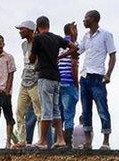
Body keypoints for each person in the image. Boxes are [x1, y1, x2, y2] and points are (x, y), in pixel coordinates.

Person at [30, 16, 76, 149]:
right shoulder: (56, 38)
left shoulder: (38, 39)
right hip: (57, 78)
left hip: (44, 77)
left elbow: (32, 59)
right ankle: (61, 139)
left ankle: (43, 141)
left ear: (38, 27)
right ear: (48, 25)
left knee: (46, 109)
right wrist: (59, 57)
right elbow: (74, 48)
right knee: (56, 109)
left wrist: (34, 41)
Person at [79, 10, 117, 150]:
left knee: (102, 109)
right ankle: (88, 141)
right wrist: (71, 37)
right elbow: (78, 50)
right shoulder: (86, 36)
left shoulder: (106, 35)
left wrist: (108, 74)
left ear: (94, 19)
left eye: (86, 18)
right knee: (86, 110)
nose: (84, 20)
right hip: (85, 76)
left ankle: (106, 141)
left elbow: (112, 55)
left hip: (97, 77)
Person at [13, 20, 42, 148]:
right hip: (24, 80)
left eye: (22, 29)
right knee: (19, 110)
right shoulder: (24, 45)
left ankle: (41, 140)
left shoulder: (39, 42)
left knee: (39, 112)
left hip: (36, 80)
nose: (20, 32)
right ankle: (22, 140)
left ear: (30, 30)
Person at [58, 23, 79, 147]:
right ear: (71, 30)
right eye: (75, 29)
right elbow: (74, 65)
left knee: (59, 114)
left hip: (59, 82)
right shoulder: (73, 45)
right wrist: (76, 83)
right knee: (69, 113)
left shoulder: (58, 45)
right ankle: (68, 143)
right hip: (69, 82)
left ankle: (59, 140)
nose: (77, 32)